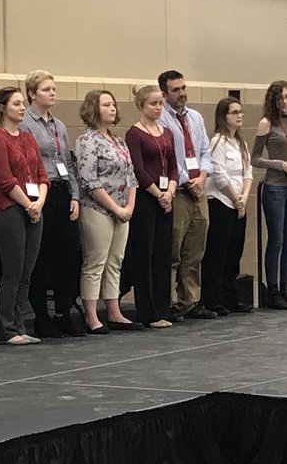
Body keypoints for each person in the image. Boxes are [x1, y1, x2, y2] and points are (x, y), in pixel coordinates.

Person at [19, 70, 83, 337]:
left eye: (53, 89)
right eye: (46, 89)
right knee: (43, 257)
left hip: (62, 191)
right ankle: (41, 317)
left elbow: (67, 163)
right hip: (40, 192)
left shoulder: (59, 125)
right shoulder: (25, 123)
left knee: (69, 255)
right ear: (32, 94)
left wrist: (76, 195)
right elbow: (26, 163)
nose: (52, 93)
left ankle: (63, 312)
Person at [0, 86, 47, 345]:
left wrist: (39, 202)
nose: (22, 108)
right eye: (16, 104)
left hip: (34, 208)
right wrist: (27, 204)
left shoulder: (28, 138)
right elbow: (4, 179)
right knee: (13, 269)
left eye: (23, 103)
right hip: (9, 209)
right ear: (2, 107)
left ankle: (20, 324)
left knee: (27, 272)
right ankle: (7, 327)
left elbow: (42, 174)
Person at [75, 90, 138, 334]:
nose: (112, 108)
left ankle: (114, 311)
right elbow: (89, 180)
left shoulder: (118, 141)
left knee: (115, 262)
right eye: (106, 105)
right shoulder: (87, 141)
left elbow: (131, 176)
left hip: (123, 209)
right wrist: (114, 207)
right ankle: (92, 315)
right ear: (94, 109)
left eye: (113, 104)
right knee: (95, 262)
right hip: (98, 209)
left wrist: (129, 207)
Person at [158, 70, 215, 320]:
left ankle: (189, 300)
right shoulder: (161, 118)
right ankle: (168, 301)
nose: (181, 94)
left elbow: (204, 149)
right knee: (174, 247)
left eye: (183, 88)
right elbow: (168, 155)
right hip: (178, 190)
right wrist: (186, 179)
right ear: (164, 94)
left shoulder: (195, 117)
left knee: (195, 248)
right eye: (175, 90)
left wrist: (202, 177)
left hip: (199, 189)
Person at [252, 80, 287, 309]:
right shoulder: (266, 124)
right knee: (276, 240)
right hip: (275, 186)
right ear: (273, 102)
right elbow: (255, 157)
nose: (284, 102)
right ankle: (273, 290)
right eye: (279, 99)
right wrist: (279, 164)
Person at [123, 84, 176, 328]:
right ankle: (148, 310)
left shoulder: (166, 132)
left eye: (160, 104)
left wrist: (171, 191)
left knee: (163, 253)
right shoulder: (134, 134)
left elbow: (174, 166)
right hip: (147, 198)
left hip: (166, 197)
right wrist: (157, 194)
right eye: (153, 104)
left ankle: (163, 307)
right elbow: (138, 169)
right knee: (146, 252)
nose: (158, 108)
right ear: (141, 106)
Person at [202, 97, 253, 315]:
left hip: (238, 204)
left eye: (240, 112)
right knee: (218, 253)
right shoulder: (217, 143)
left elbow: (247, 173)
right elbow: (219, 175)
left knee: (235, 253)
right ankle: (214, 298)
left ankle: (231, 297)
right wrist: (234, 198)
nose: (239, 115)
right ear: (224, 117)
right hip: (221, 202)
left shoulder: (241, 144)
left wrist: (243, 198)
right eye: (234, 112)